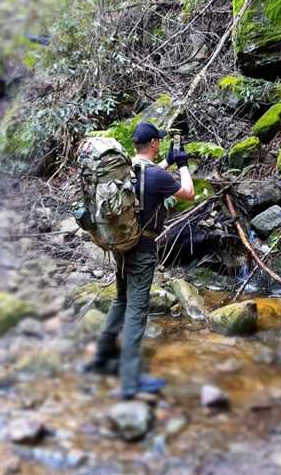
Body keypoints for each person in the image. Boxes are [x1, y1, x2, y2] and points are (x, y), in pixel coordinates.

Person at [85, 121, 194, 399]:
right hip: (142, 250)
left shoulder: (127, 169)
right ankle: (130, 381)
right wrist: (182, 164)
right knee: (136, 311)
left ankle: (101, 358)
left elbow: (145, 185)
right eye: (159, 142)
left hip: (121, 245)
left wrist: (167, 163)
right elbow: (188, 193)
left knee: (121, 300)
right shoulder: (156, 174)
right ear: (155, 143)